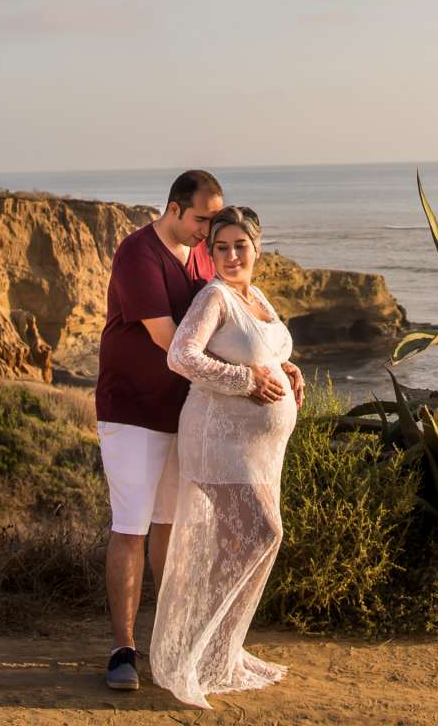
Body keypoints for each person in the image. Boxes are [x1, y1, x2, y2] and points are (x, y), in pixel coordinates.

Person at [96, 171, 300, 693]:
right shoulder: (140, 254)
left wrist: (279, 367)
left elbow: (237, 325)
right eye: (204, 220)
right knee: (133, 525)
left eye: (218, 220)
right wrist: (249, 377)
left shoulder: (203, 254)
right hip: (135, 411)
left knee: (171, 525)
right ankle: (124, 648)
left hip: (184, 413)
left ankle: (177, 640)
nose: (211, 231)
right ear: (174, 209)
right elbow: (176, 344)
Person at [152, 204, 299, 708]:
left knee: (247, 542)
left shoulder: (253, 295)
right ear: (209, 252)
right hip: (219, 438)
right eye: (221, 247)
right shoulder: (214, 295)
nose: (232, 254)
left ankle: (223, 648)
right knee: (262, 533)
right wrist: (247, 381)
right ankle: (199, 653)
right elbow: (181, 356)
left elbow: (257, 348)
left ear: (257, 248)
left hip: (258, 447)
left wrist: (285, 367)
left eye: (241, 245)